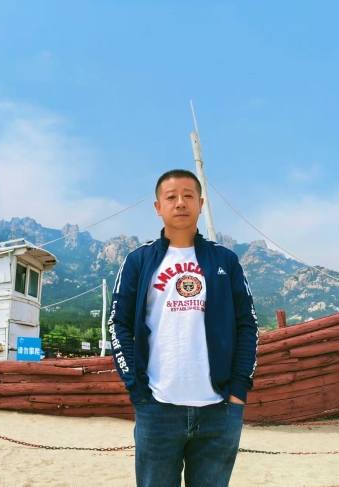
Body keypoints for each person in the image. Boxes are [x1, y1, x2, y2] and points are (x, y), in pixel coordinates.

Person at [108, 169, 258, 487]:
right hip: (157, 407)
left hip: (220, 410)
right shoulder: (139, 261)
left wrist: (238, 392)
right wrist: (137, 389)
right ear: (158, 207)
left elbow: (247, 325)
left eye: (188, 196)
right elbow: (118, 323)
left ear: (200, 204)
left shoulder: (226, 261)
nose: (180, 203)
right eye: (171, 197)